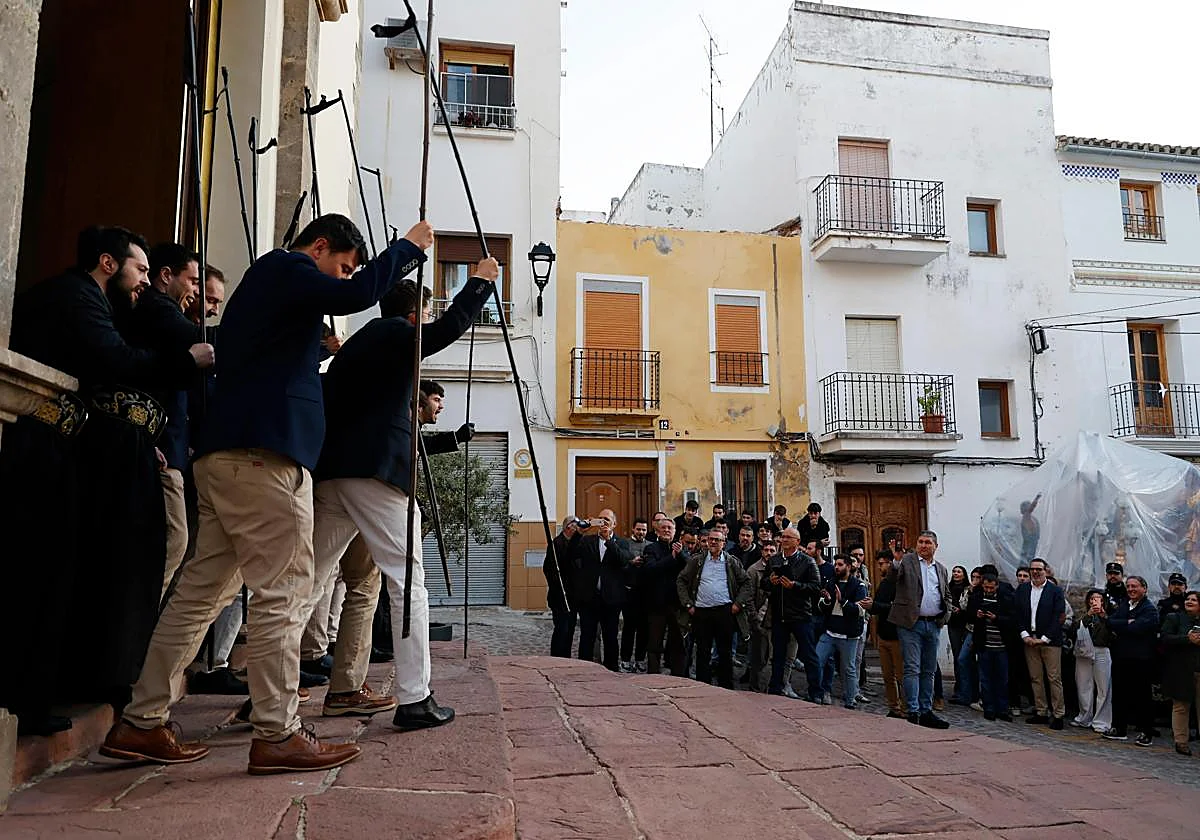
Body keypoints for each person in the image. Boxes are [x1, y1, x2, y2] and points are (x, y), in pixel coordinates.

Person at [102, 214, 427, 774]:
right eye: (342, 262)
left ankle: (143, 718)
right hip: (266, 459)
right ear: (320, 248)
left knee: (202, 592)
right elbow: (356, 292)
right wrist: (406, 249)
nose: (342, 275)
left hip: (228, 455)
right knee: (286, 588)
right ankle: (278, 731)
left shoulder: (271, 286)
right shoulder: (288, 267)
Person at [0, 227, 213, 736]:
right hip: (39, 447)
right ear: (106, 263)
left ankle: (46, 691)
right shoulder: (75, 297)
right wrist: (187, 360)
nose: (142, 281)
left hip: (63, 447)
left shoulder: (94, 300)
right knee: (41, 574)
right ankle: (28, 696)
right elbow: (114, 358)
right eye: (138, 269)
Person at [305, 260, 493, 730]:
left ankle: (266, 685)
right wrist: (482, 282)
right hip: (376, 473)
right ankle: (415, 697)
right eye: (424, 312)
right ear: (415, 314)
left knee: (306, 580)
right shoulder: (394, 334)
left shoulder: (356, 349)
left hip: (336, 471)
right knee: (408, 580)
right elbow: (446, 330)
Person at [310, 377, 477, 716]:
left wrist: (455, 438)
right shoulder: (390, 408)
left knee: (346, 585)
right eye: (435, 400)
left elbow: (419, 445)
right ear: (418, 402)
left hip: (339, 484)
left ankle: (341, 687)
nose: (440, 406)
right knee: (397, 582)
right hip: (373, 491)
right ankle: (411, 697)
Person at [115, 242, 204, 601]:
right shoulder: (158, 308)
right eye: (193, 281)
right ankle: (136, 627)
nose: (196, 293)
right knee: (173, 538)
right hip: (159, 445)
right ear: (167, 276)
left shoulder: (167, 313)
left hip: (169, 446)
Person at [889, 530, 952, 729]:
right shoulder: (907, 562)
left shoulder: (941, 569)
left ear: (936, 546)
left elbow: (946, 594)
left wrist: (945, 616)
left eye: (927, 542)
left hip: (933, 624)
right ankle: (913, 710)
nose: (923, 545)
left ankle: (926, 709)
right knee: (912, 667)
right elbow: (893, 578)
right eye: (920, 541)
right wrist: (896, 561)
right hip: (911, 624)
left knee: (929, 669)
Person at [676, 531, 752, 689]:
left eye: (718, 540)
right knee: (702, 652)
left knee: (725, 652)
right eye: (711, 539)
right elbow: (681, 580)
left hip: (725, 612)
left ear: (724, 543)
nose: (713, 542)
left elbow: (746, 583)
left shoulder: (731, 562)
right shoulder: (697, 561)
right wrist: (688, 604)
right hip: (701, 613)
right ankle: (703, 686)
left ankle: (726, 687)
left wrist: (738, 604)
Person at [764, 527, 823, 700]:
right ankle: (775, 688)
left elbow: (816, 587)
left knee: (809, 655)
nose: (784, 540)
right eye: (783, 537)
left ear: (797, 541)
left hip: (800, 615)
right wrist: (771, 581)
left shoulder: (807, 561)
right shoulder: (774, 560)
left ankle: (816, 692)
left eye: (789, 537)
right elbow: (763, 583)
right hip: (779, 614)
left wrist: (795, 585)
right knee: (778, 655)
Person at [569, 509, 632, 670]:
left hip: (611, 599)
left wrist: (608, 540)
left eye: (607, 520)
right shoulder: (587, 541)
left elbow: (623, 560)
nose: (603, 523)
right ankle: (583, 668)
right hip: (589, 598)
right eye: (601, 519)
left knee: (610, 636)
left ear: (614, 524)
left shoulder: (622, 542)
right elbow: (571, 553)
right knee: (587, 636)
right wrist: (578, 533)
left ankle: (611, 669)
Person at [1103, 576, 1160, 746]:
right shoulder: (1125, 605)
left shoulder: (1149, 609)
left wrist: (1123, 625)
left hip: (1141, 659)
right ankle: (1118, 728)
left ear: (1144, 588)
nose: (1131, 589)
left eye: (1134, 586)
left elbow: (1138, 628)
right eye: (1128, 586)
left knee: (1142, 696)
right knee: (1119, 694)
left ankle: (1146, 732)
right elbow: (1110, 622)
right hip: (1122, 657)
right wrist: (1126, 623)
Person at [1015, 558, 1067, 729]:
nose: (1036, 572)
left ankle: (1058, 714)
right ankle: (1041, 711)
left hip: (1050, 642)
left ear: (1046, 571)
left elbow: (1059, 616)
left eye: (1039, 569)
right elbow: (1018, 614)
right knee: (1035, 678)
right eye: (1033, 569)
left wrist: (1044, 638)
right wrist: (1025, 635)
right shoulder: (1022, 589)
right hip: (1029, 640)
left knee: (1054, 678)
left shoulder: (1055, 591)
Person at [813, 554, 868, 708]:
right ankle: (816, 693)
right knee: (817, 661)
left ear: (848, 567)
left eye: (840, 564)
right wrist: (828, 601)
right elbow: (821, 606)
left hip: (848, 635)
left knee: (848, 668)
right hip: (830, 632)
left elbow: (859, 610)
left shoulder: (859, 586)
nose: (836, 567)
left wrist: (842, 601)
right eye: (835, 564)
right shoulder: (831, 582)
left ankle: (850, 700)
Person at [642, 517, 688, 675]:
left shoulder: (681, 548)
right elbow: (651, 569)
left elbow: (689, 568)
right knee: (654, 643)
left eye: (670, 528)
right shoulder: (651, 549)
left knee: (677, 643)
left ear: (675, 532)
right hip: (657, 603)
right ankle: (654, 674)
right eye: (664, 528)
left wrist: (680, 554)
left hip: (677, 604)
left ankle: (679, 675)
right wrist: (672, 558)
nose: (667, 530)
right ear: (657, 531)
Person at [968, 572, 1015, 721]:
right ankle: (988, 708)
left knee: (1002, 679)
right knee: (986, 678)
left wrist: (997, 618)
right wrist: (977, 615)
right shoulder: (976, 598)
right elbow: (968, 615)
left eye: (991, 588)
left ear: (997, 586)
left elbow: (1012, 619)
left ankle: (1002, 709)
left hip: (1001, 645)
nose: (988, 590)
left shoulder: (1006, 598)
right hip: (984, 645)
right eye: (986, 587)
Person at [1161, 591, 1200, 756]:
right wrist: (1186, 639)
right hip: (1181, 670)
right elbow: (1165, 637)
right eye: (1188, 599)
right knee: (1181, 706)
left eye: (1194, 599)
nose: (1189, 601)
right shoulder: (1174, 618)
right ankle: (1181, 741)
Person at [1070, 589, 1114, 734]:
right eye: (1092, 598)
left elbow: (1114, 630)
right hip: (1084, 651)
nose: (1094, 601)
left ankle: (1101, 721)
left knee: (1103, 687)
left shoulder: (1110, 614)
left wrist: (1103, 616)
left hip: (1102, 650)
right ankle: (1084, 716)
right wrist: (1088, 615)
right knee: (1083, 685)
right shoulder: (1083, 613)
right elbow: (1074, 628)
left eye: (1098, 598)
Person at [869, 550, 906, 718]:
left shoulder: (901, 584)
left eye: (882, 563)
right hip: (883, 634)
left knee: (901, 676)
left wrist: (876, 605)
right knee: (887, 676)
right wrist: (872, 605)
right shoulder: (884, 583)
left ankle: (907, 707)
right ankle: (894, 706)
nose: (879, 567)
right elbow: (879, 605)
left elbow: (897, 608)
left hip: (897, 635)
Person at [619, 518, 651, 672]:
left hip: (645, 593)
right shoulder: (625, 544)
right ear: (633, 529)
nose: (641, 532)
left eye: (644, 530)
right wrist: (630, 562)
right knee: (629, 629)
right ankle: (625, 659)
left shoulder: (650, 546)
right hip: (629, 591)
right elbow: (619, 565)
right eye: (638, 529)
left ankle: (640, 659)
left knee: (643, 629)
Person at [547, 517, 580, 658]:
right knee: (562, 628)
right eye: (576, 526)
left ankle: (566, 657)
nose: (578, 528)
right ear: (568, 527)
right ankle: (557, 657)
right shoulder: (557, 544)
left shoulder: (576, 543)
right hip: (560, 596)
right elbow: (549, 569)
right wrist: (560, 588)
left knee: (570, 629)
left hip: (573, 595)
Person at [1019, 493, 1042, 563]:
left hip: (1031, 543)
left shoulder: (1031, 518)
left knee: (1028, 559)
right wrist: (1036, 498)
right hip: (1029, 543)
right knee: (1028, 559)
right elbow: (1031, 508)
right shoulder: (1026, 516)